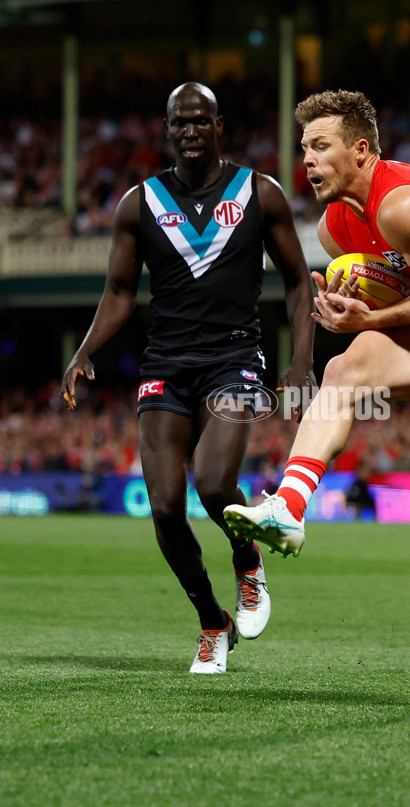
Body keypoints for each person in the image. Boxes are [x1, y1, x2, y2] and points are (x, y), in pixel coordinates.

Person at [224, 89, 410, 701]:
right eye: (303, 148)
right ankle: (287, 506)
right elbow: (404, 289)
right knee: (343, 372)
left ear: (361, 150)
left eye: (321, 146)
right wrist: (360, 311)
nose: (307, 160)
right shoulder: (338, 222)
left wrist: (366, 320)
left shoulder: (403, 205)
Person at [61, 82, 316, 674]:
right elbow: (120, 293)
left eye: (201, 121)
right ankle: (211, 622)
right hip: (166, 368)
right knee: (166, 510)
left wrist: (302, 363)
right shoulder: (139, 205)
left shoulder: (259, 193)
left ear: (220, 126)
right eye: (180, 123)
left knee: (212, 483)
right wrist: (85, 350)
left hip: (233, 360)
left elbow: (301, 283)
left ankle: (247, 562)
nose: (190, 131)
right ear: (167, 129)